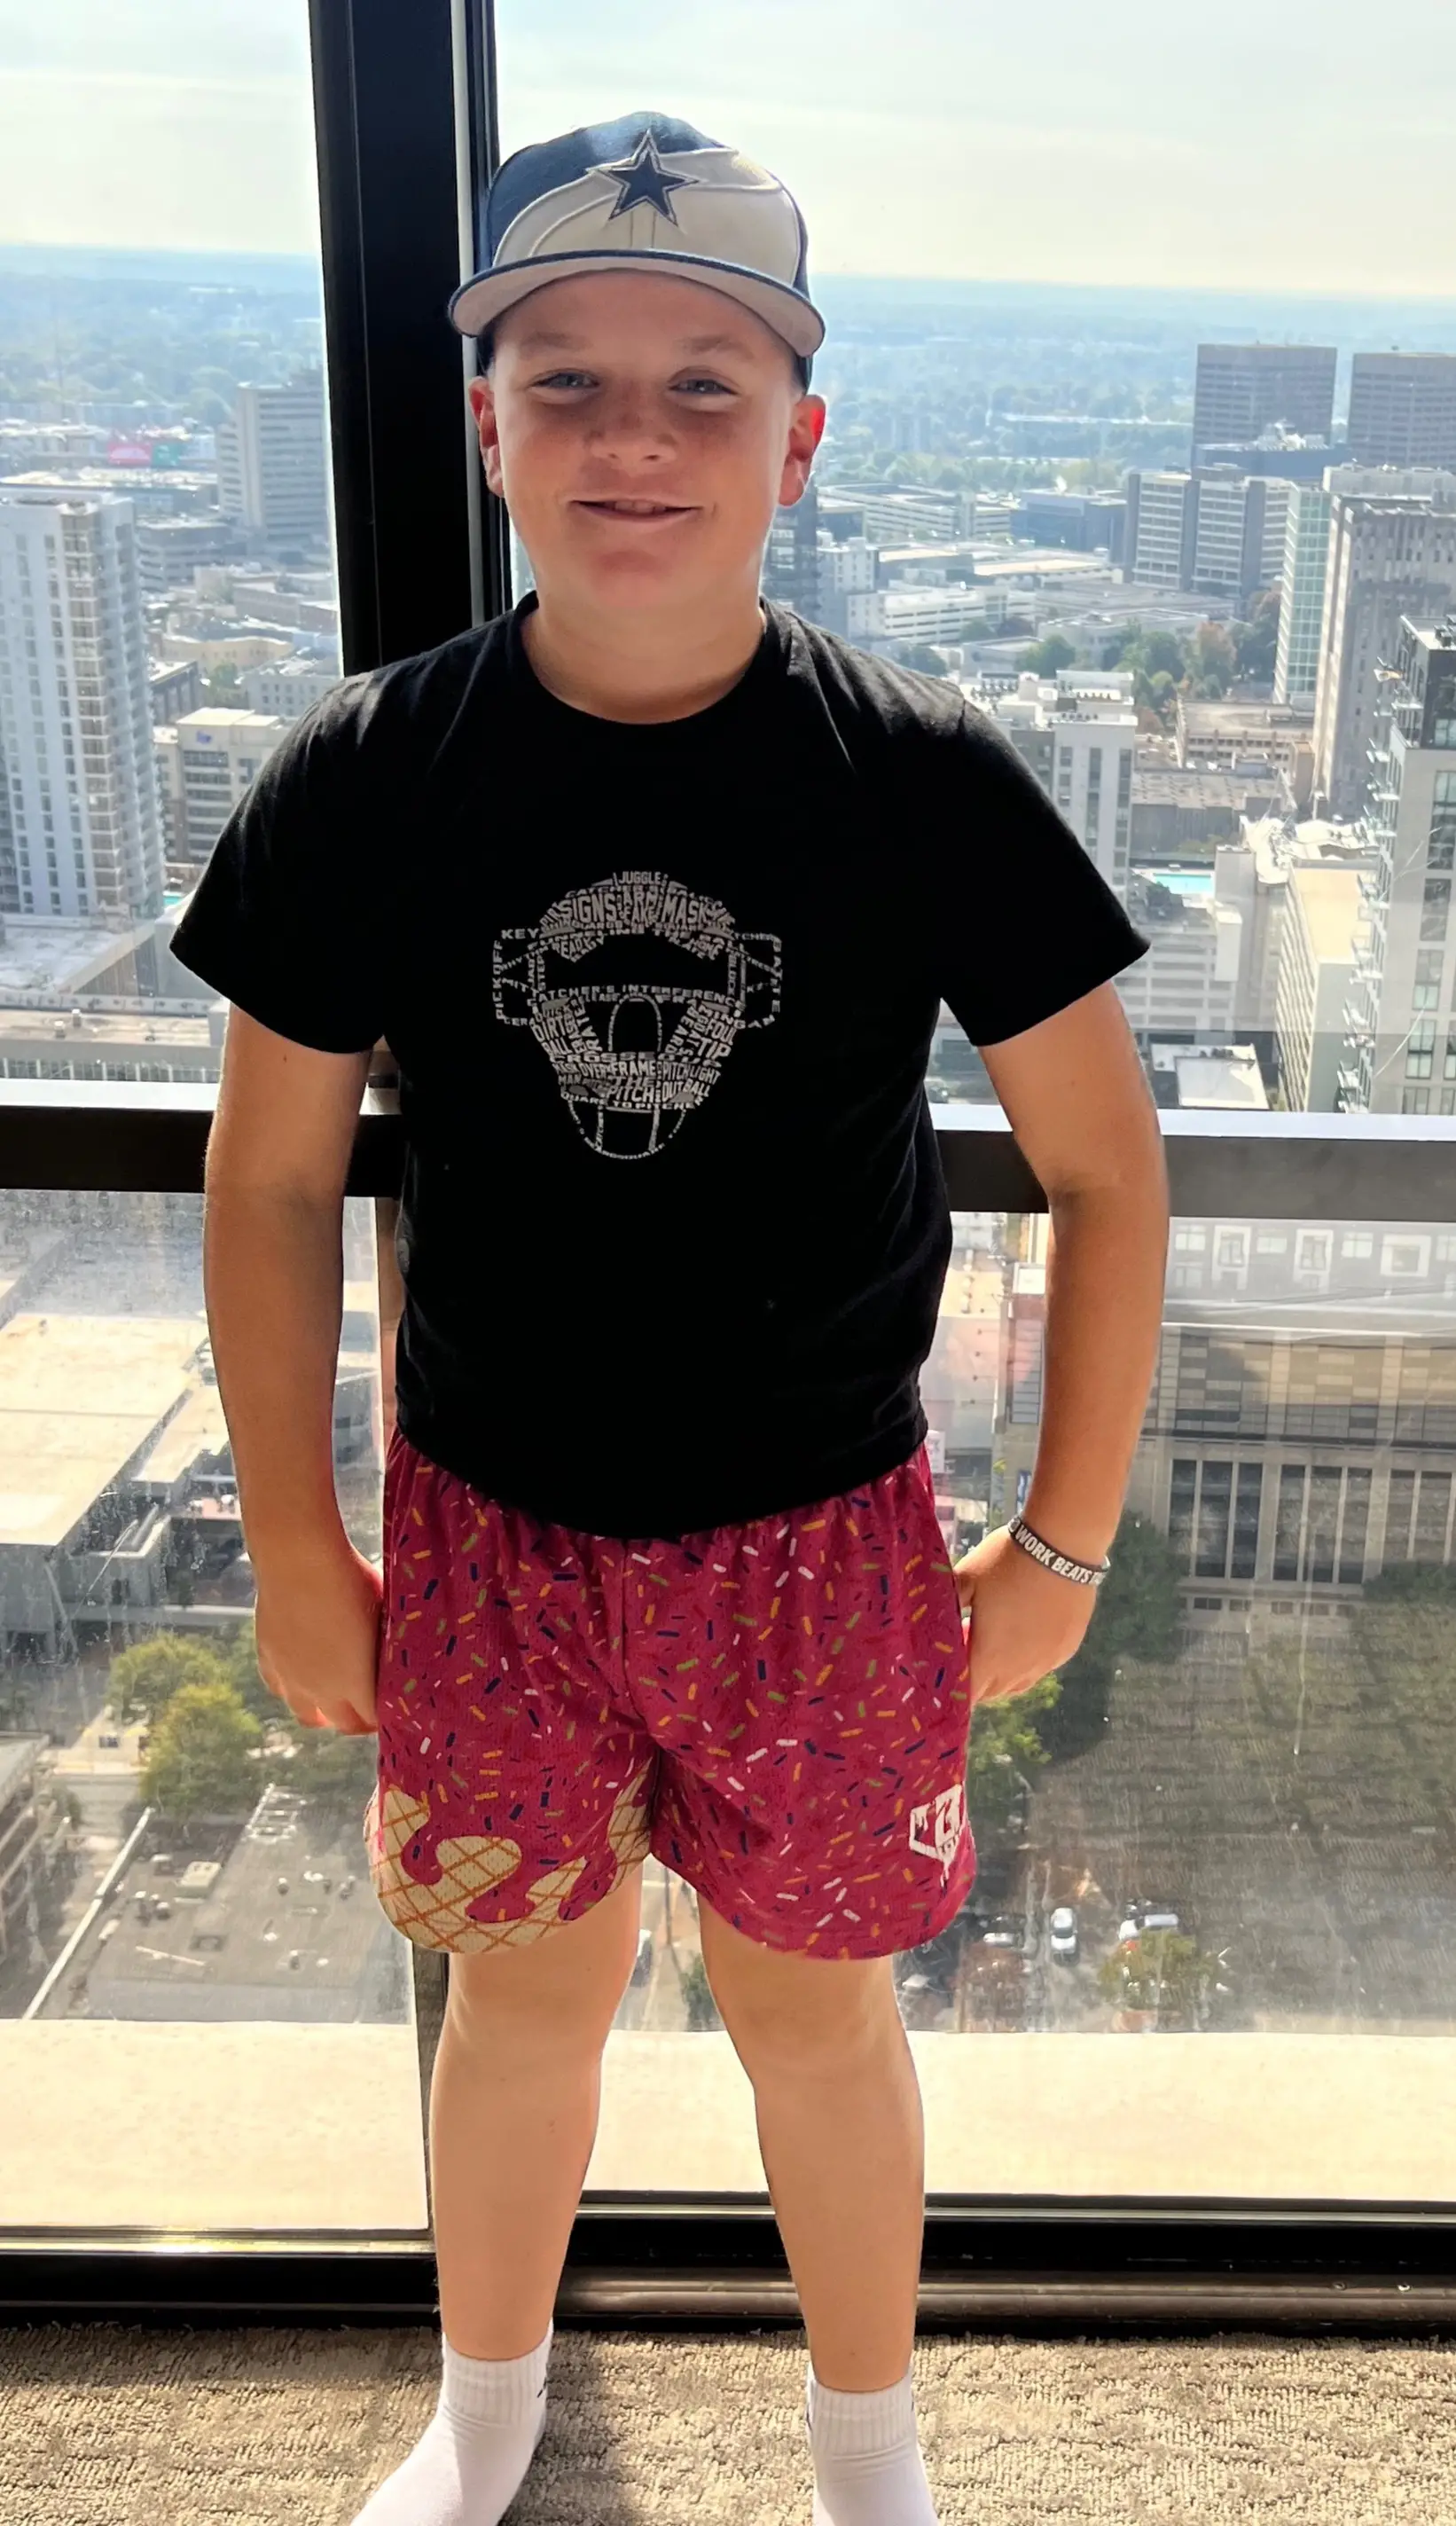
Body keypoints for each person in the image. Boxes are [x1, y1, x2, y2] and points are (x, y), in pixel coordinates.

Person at [171, 107, 1170, 2526]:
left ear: (799, 443)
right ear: (487, 429)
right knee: (519, 2010)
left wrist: (1060, 1543)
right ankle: (485, 2419)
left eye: (706, 385)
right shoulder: (369, 774)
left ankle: (869, 2454)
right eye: (570, 382)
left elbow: (1109, 1167)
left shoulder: (919, 773)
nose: (636, 436)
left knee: (817, 2022)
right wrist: (296, 1546)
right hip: (488, 1536)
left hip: (826, 1541)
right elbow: (272, 1176)